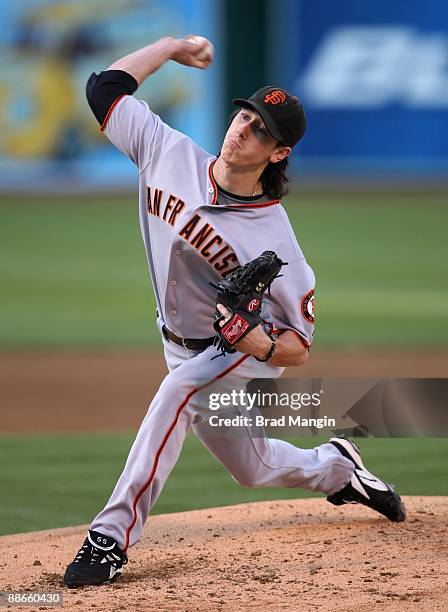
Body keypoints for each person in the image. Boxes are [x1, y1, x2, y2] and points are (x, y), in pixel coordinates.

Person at [64, 35, 405, 588]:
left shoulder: (278, 243)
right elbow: (105, 89)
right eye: (243, 116)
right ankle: (339, 466)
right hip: (178, 342)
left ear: (278, 154)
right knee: (254, 468)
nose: (241, 130)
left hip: (234, 354)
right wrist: (172, 47)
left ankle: (109, 538)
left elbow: (299, 345)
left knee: (174, 394)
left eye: (259, 131)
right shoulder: (166, 153)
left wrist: (258, 343)